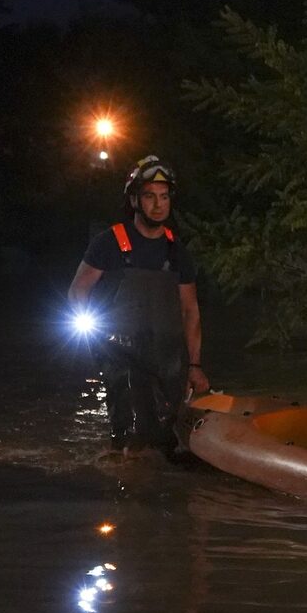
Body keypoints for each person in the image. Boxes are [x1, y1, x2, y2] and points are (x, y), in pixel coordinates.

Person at [68, 155, 210, 454]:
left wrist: (194, 366)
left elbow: (190, 311)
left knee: (167, 438)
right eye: (149, 197)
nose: (159, 204)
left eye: (164, 197)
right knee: (131, 434)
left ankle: (165, 491)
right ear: (134, 200)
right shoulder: (108, 243)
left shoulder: (177, 252)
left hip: (168, 358)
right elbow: (78, 291)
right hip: (120, 354)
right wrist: (96, 343)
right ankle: (125, 485)